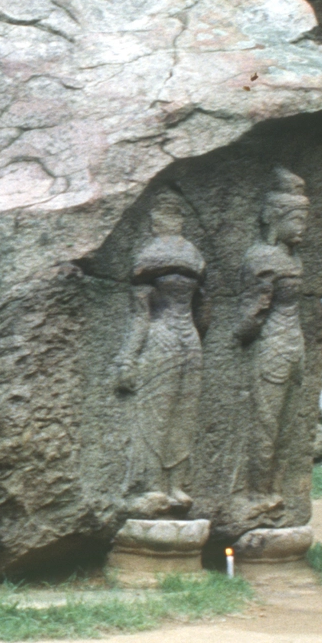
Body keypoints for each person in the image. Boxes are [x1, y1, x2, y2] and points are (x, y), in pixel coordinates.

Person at [115, 191, 206, 518]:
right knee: (157, 414)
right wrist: (127, 359)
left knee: (183, 413)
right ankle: (152, 485)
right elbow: (140, 315)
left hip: (181, 337)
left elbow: (200, 309)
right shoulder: (156, 257)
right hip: (168, 337)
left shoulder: (185, 255)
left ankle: (174, 484)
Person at [236, 166, 309, 509]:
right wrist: (237, 337)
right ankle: (258, 492)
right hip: (276, 348)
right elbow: (255, 312)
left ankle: (276, 491)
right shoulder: (262, 257)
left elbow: (252, 316)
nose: (303, 228)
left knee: (286, 426)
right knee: (267, 424)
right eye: (296, 220)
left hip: (292, 346)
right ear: (275, 219)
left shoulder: (293, 259)